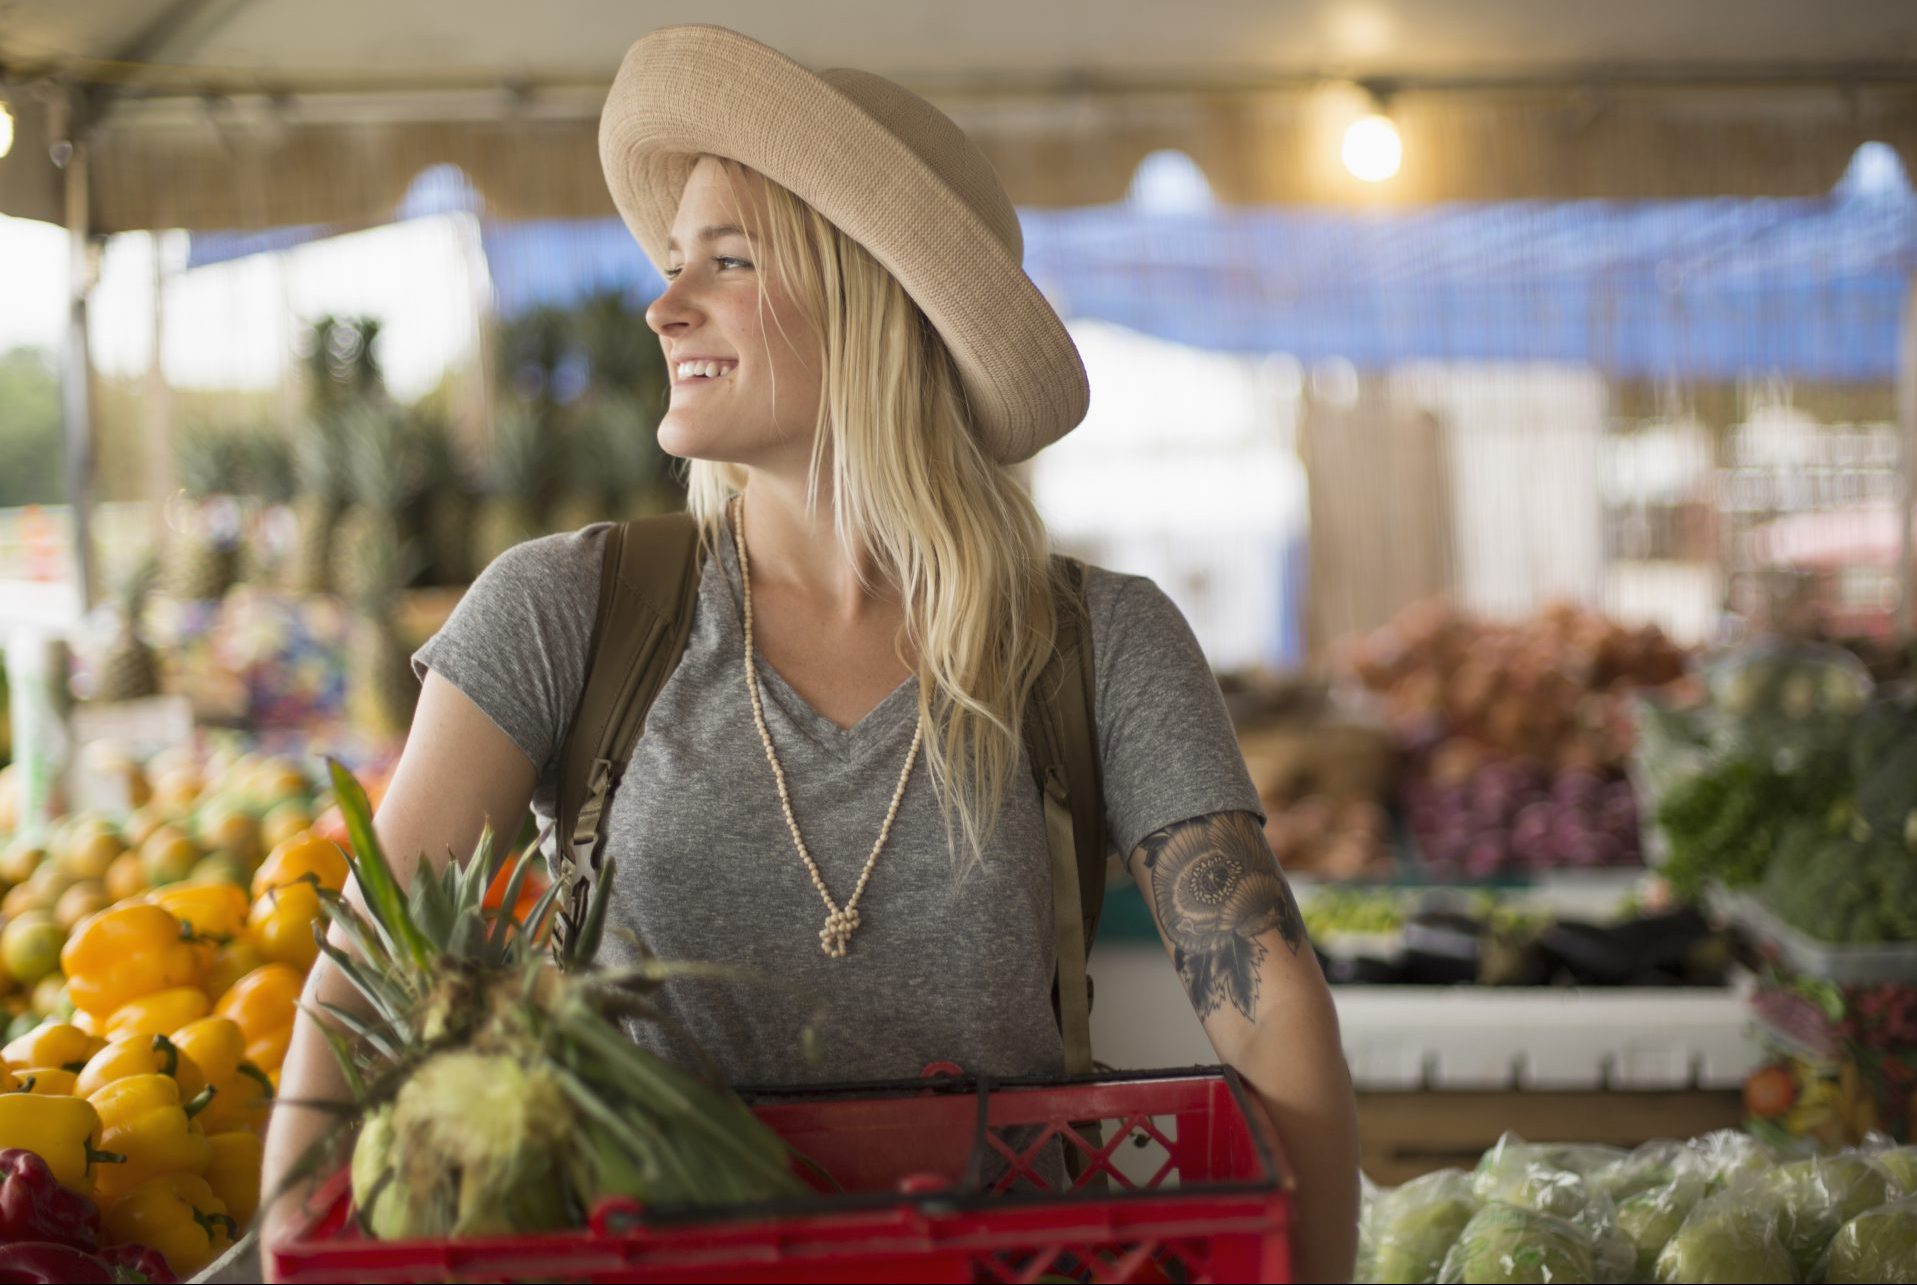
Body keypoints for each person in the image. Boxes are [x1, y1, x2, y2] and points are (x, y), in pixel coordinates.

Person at [262, 25, 1359, 1281]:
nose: (661, 305)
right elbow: (369, 972)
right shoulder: (567, 608)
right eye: (675, 263)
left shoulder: (1098, 643)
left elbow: (1270, 1011)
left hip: (1009, 1256)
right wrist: (291, 1237)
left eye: (727, 261)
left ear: (872, 299)